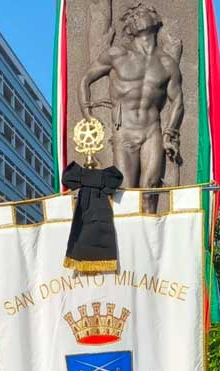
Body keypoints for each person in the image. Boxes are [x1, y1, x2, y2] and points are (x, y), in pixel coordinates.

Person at [78, 2, 184, 213]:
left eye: (141, 13)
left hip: (152, 131)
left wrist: (169, 133)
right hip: (124, 131)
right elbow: (85, 80)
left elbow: (178, 101)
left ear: (155, 21)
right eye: (133, 16)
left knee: (150, 189)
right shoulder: (117, 53)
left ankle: (151, 240)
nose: (136, 17)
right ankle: (124, 243)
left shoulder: (167, 63)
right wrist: (87, 113)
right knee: (124, 193)